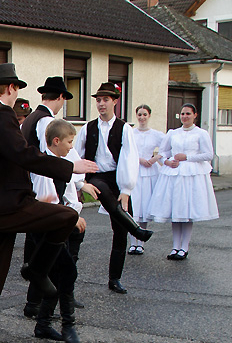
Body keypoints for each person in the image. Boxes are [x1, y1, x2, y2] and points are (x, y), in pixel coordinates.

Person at [0, 63, 98, 343]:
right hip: (1, 208)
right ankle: (35, 270)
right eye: (17, 88)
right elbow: (22, 154)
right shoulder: (0, 114)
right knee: (65, 217)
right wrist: (69, 167)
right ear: (11, 88)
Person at [74, 82, 151, 294]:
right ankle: (136, 229)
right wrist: (80, 183)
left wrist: (126, 190)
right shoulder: (88, 128)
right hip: (96, 175)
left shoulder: (124, 128)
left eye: (105, 100)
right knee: (101, 190)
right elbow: (77, 156)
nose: (101, 104)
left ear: (115, 101)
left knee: (120, 232)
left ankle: (114, 278)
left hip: (118, 177)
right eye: (98, 100)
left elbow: (130, 158)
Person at [30, 120, 91, 343]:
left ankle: (44, 323)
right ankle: (67, 324)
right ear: (56, 141)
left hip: (56, 227)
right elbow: (45, 201)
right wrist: (70, 216)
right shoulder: (44, 168)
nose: (71, 146)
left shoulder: (58, 164)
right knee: (67, 271)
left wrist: (71, 213)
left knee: (59, 274)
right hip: (45, 229)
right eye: (69, 142)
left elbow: (65, 194)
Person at [148, 104, 219, 260]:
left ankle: (184, 247)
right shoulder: (173, 133)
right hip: (174, 174)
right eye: (182, 114)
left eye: (188, 114)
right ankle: (175, 247)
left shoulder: (201, 133)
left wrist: (187, 157)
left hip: (191, 175)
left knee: (186, 212)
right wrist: (167, 162)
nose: (185, 116)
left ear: (195, 115)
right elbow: (163, 152)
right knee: (176, 211)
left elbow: (208, 154)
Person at [128, 104, 165, 255]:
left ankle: (141, 243)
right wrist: (139, 159)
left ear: (149, 115)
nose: (142, 117)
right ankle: (133, 243)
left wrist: (155, 158)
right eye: (139, 114)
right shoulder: (131, 133)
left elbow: (167, 148)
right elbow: (126, 150)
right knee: (134, 207)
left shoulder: (156, 134)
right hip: (135, 170)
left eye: (144, 114)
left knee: (144, 207)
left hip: (150, 172)